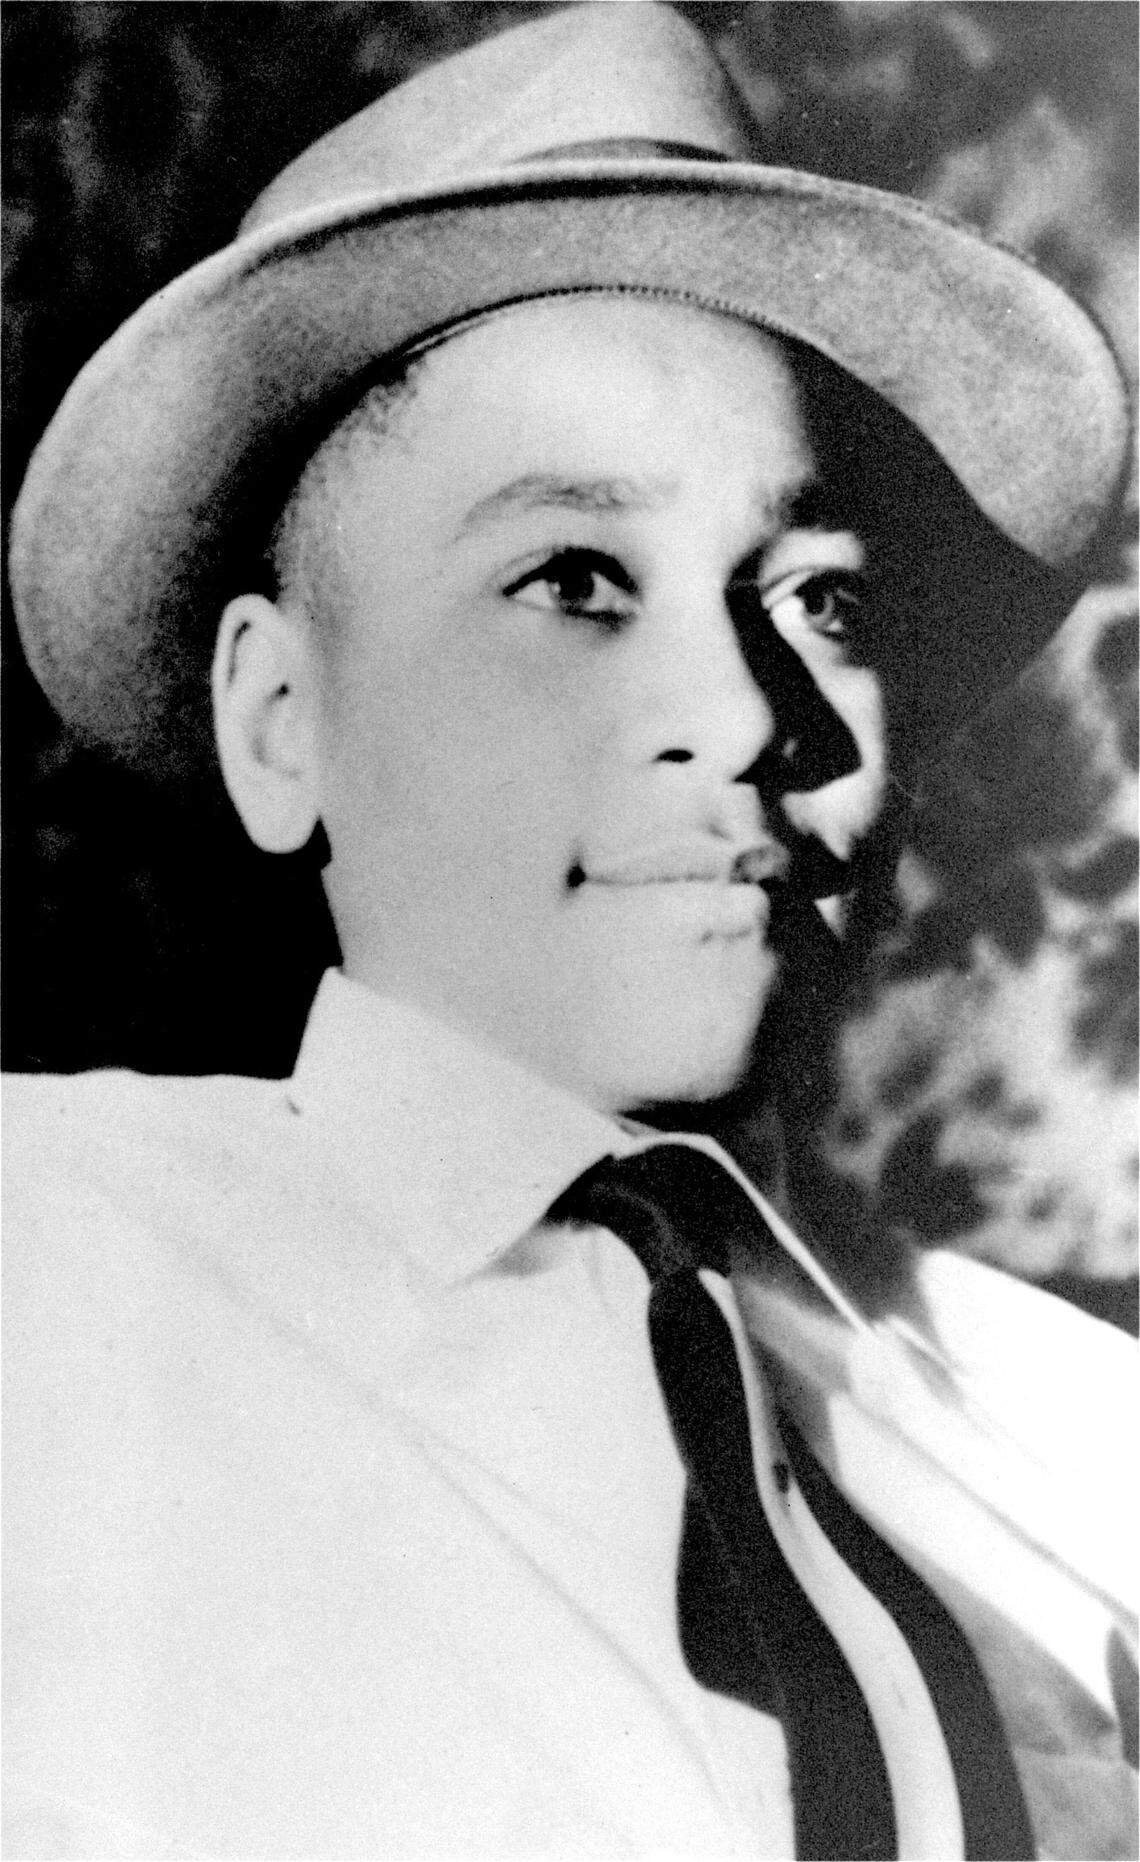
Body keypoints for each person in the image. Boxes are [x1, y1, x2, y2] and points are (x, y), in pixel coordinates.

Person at [3, 6, 1135, 1859]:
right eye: (576, 582)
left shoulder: (1079, 1436)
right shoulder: (44, 1285)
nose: (750, 713)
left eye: (822, 600)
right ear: (283, 720)